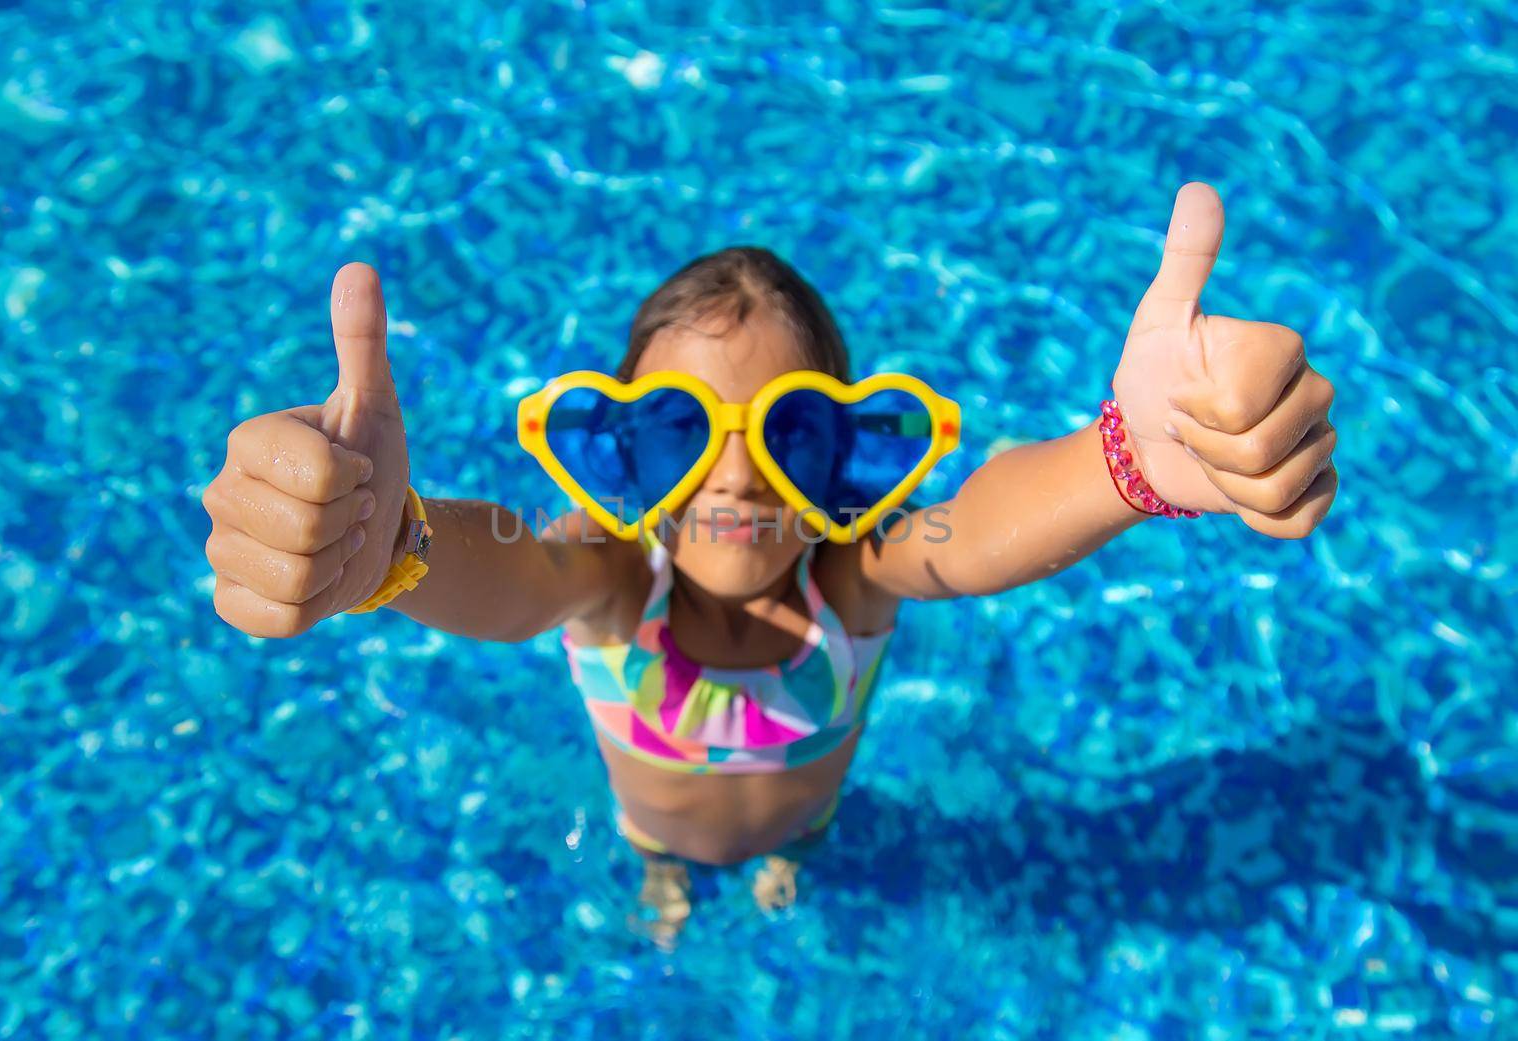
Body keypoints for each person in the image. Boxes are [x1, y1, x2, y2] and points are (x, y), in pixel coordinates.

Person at [201, 182, 1339, 949]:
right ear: (620, 458)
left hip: (805, 810)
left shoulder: (849, 576)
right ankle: (662, 877)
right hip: (658, 819)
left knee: (797, 844)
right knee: (661, 857)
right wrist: (391, 548)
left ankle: (781, 864)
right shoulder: (609, 578)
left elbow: (973, 532)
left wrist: (1119, 468)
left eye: (788, 433)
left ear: (844, 460)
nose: (736, 479)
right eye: (677, 435)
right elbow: (506, 579)